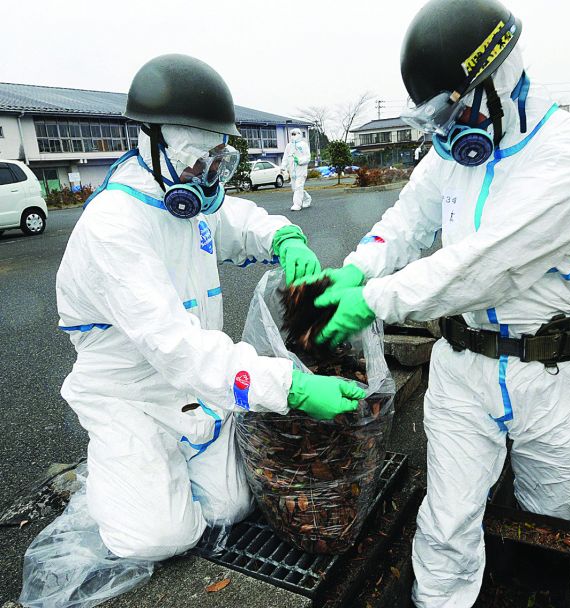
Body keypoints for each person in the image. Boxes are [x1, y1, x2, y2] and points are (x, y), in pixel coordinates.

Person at [298, 1, 570, 605]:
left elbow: (486, 267)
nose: (444, 131)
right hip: (462, 369)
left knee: (557, 515)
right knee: (445, 523)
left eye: (450, 111)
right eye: (433, 119)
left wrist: (375, 300)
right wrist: (355, 269)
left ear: (498, 79)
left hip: (549, 375)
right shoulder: (451, 151)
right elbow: (407, 222)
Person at [53, 54, 364, 563]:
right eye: (197, 160)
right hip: (128, 394)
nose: (207, 175)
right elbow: (176, 345)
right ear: (153, 143)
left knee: (229, 508)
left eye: (218, 161)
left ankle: (160, 469)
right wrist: (293, 387)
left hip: (193, 387)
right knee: (157, 539)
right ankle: (124, 465)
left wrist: (282, 236)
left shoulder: (188, 202)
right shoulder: (114, 227)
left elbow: (233, 219)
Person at [282, 128, 312, 210]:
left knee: (298, 187)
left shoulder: (303, 145)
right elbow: (285, 157)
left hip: (301, 171)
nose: (293, 136)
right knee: (295, 189)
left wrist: (299, 160)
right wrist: (283, 166)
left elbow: (308, 157)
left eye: (295, 134)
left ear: (299, 134)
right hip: (292, 171)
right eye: (292, 134)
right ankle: (307, 198)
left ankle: (297, 205)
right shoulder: (289, 146)